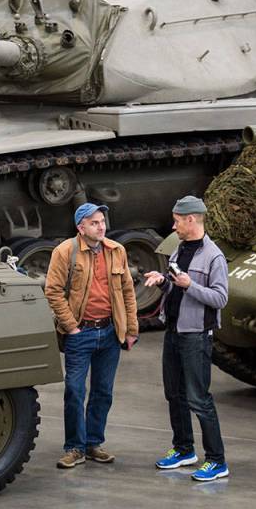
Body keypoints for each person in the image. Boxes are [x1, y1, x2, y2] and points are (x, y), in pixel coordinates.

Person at [45, 203, 139, 469]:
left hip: (110, 332)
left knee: (103, 391)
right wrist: (71, 326)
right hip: (81, 333)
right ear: (81, 227)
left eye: (102, 221)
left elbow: (128, 292)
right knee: (74, 390)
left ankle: (93, 443)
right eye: (95, 223)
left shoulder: (116, 251)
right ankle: (75, 447)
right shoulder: (65, 252)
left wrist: (131, 330)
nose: (101, 226)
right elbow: (52, 291)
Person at [144, 196, 230, 482]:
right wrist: (164, 281)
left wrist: (190, 285)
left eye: (177, 220)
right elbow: (177, 285)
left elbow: (220, 297)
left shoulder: (213, 256)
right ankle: (184, 450)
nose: (174, 225)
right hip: (174, 333)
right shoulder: (180, 249)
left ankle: (217, 461)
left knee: (199, 398)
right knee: (174, 394)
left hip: (195, 337)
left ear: (191, 219)